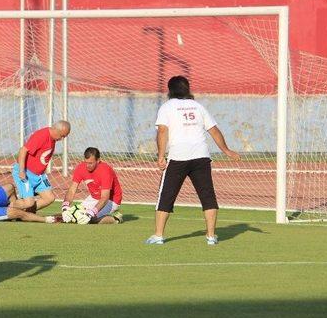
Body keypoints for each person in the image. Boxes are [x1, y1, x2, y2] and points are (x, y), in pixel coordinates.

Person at [146, 75, 240, 246]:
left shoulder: (167, 107)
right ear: (187, 89)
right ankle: (211, 236)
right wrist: (226, 150)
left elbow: (162, 131)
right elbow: (214, 130)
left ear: (170, 90)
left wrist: (160, 156)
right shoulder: (198, 106)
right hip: (201, 157)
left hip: (178, 157)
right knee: (207, 195)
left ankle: (158, 235)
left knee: (166, 195)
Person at [12, 121, 71, 211]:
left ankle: (26, 213)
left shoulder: (53, 138)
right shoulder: (42, 135)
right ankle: (2, 209)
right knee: (29, 202)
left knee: (49, 198)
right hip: (26, 172)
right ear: (55, 129)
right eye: (62, 135)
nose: (62, 139)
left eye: (64, 136)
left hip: (39, 175)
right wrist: (21, 170)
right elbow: (23, 150)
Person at [61, 147, 123, 225]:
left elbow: (105, 198)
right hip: (94, 197)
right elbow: (72, 189)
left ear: (98, 160)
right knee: (74, 215)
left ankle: (115, 218)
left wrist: (91, 213)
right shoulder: (80, 167)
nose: (87, 165)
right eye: (86, 162)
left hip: (112, 200)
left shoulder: (105, 171)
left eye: (90, 163)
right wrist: (65, 207)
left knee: (91, 219)